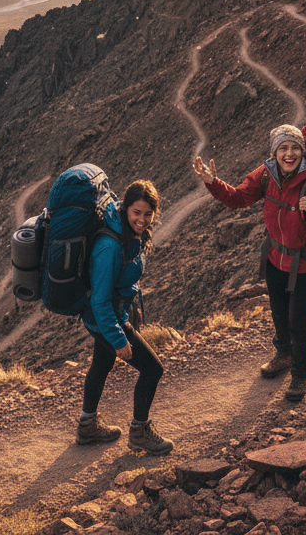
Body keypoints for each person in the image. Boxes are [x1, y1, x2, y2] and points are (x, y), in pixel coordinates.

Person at [192, 124, 306, 402]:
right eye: (283, 148)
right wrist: (213, 182)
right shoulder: (265, 176)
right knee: (278, 313)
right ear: (273, 153)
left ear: (302, 150)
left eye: (295, 148)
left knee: (299, 321)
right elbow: (237, 199)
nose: (289, 154)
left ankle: (300, 373)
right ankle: (284, 354)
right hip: (275, 258)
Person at [76, 179, 173, 455]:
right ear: (125, 209)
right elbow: (100, 300)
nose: (142, 220)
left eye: (147, 214)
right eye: (136, 213)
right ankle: (140, 432)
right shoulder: (110, 245)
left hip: (110, 316)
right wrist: (118, 339)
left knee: (101, 365)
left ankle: (87, 425)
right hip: (105, 318)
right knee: (153, 369)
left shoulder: (130, 234)